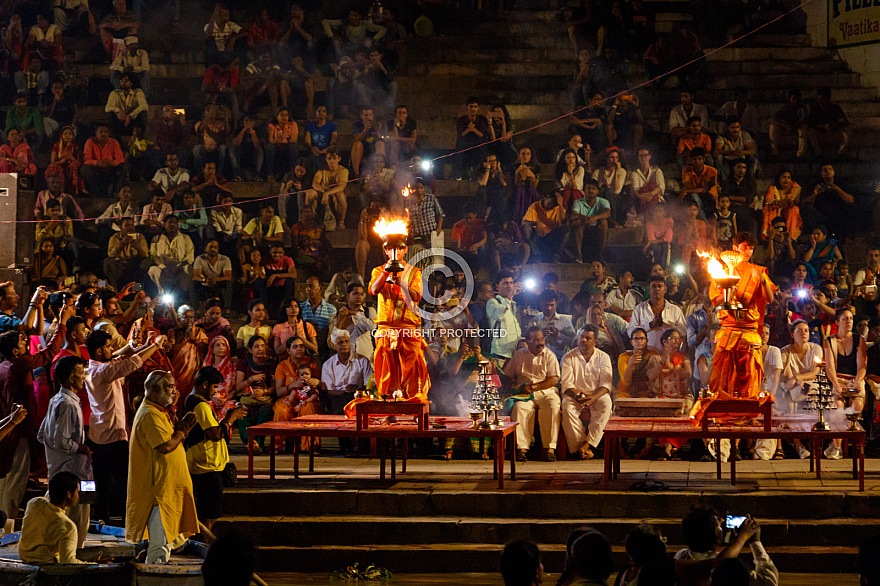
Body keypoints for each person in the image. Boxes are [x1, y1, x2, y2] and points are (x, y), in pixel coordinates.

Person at [0, 292, 68, 525]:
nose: (26, 343)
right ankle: (6, 528)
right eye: (21, 342)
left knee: (8, 479)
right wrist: (63, 324)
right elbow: (49, 352)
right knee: (16, 479)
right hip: (19, 431)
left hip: (10, 431)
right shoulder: (20, 365)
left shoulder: (4, 367)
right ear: (16, 351)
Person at [694, 232, 776, 422]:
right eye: (745, 247)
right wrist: (728, 289)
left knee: (750, 374)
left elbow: (769, 299)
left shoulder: (758, 271)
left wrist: (763, 281)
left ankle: (749, 413)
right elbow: (716, 300)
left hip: (748, 330)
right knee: (724, 374)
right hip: (729, 330)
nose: (748, 251)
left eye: (751, 248)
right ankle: (721, 414)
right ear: (735, 246)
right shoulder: (721, 270)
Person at [85, 327, 164, 523]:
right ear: (98, 351)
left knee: (104, 483)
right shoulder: (102, 371)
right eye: (108, 347)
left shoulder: (97, 367)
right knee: (123, 481)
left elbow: (120, 359)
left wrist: (144, 345)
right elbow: (131, 363)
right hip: (111, 436)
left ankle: (106, 520)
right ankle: (124, 521)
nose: (112, 350)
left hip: (102, 434)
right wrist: (154, 347)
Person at [126, 371, 198, 564]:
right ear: (155, 388)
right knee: (160, 546)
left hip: (167, 489)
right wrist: (182, 430)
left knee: (163, 543)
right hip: (158, 491)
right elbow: (165, 446)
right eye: (170, 387)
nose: (174, 391)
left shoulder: (159, 411)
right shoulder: (149, 414)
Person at [183, 366, 245, 533]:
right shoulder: (200, 406)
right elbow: (215, 434)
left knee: (205, 513)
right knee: (207, 515)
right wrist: (231, 419)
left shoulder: (192, 400)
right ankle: (206, 547)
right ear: (205, 384)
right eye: (214, 387)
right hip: (206, 467)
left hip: (204, 464)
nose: (216, 392)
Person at [38, 355, 91, 548]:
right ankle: (74, 553)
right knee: (80, 514)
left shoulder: (57, 400)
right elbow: (61, 440)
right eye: (80, 372)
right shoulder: (68, 404)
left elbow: (43, 435)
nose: (84, 376)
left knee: (59, 514)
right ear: (70, 378)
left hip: (62, 469)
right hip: (74, 470)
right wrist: (81, 448)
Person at [369, 239, 429, 402]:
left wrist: (401, 283)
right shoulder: (378, 270)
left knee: (413, 372)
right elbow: (374, 290)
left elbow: (417, 296)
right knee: (387, 372)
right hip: (386, 329)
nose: (395, 252)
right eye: (390, 248)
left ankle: (415, 410)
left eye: (399, 248)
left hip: (408, 328)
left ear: (405, 250)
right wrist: (387, 272)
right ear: (386, 251)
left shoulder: (414, 272)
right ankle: (390, 412)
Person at [674, 507, 778, 586]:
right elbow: (769, 581)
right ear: (716, 537)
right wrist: (755, 542)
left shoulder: (680, 556)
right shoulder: (728, 571)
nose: (721, 527)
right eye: (718, 525)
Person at [504, 326, 561, 462]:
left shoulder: (550, 355)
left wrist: (534, 387)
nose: (540, 343)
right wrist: (514, 386)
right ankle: (522, 450)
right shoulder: (519, 355)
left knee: (553, 406)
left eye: (542, 339)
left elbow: (554, 379)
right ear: (528, 341)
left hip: (546, 392)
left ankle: (549, 450)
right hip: (525, 395)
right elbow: (508, 375)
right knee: (519, 408)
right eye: (536, 340)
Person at [560, 325, 613, 460]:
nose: (584, 340)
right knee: (567, 408)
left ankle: (587, 445)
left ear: (595, 341)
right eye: (582, 337)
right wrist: (578, 396)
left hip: (596, 394)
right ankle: (582, 447)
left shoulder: (603, 357)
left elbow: (606, 385)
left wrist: (593, 397)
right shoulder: (568, 357)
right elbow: (566, 384)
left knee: (606, 404)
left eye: (588, 338)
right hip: (574, 395)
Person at [824, 307, 867, 460]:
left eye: (850, 318)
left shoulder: (859, 339)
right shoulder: (829, 341)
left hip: (854, 380)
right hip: (838, 379)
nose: (849, 321)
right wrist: (836, 385)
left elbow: (862, 367)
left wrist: (857, 382)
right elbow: (829, 368)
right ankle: (837, 447)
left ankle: (855, 449)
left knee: (856, 406)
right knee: (838, 407)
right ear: (837, 322)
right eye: (845, 319)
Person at [18, 472, 88, 565]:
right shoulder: (67, 526)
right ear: (69, 494)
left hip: (25, 558)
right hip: (47, 565)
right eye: (77, 492)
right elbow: (68, 562)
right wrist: (93, 564)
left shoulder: (34, 503)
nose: (78, 496)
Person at [628, 275, 686, 352]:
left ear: (665, 289)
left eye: (660, 286)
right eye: (654, 286)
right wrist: (650, 326)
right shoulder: (639, 309)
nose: (657, 289)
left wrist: (667, 325)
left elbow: (684, 332)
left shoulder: (675, 309)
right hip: (645, 354)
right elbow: (630, 332)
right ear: (649, 290)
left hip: (669, 355)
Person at [148, 215, 194, 297]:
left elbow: (190, 257)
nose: (172, 225)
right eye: (169, 222)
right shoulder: (156, 239)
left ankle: (182, 293)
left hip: (179, 269)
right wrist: (163, 267)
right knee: (153, 270)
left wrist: (178, 267)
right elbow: (153, 256)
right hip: (163, 269)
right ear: (164, 224)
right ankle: (161, 293)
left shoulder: (185, 238)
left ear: (177, 225)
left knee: (188, 268)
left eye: (174, 223)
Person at [81, 125, 125, 198]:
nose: (103, 134)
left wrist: (112, 163)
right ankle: (95, 194)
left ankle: (116, 192)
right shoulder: (90, 142)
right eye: (101, 132)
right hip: (96, 170)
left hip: (110, 169)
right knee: (85, 169)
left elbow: (120, 158)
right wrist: (98, 162)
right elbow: (86, 159)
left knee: (123, 167)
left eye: (105, 132)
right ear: (96, 133)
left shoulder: (113, 142)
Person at [804, 86, 849, 157]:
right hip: (820, 135)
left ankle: (840, 152)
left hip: (833, 134)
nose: (820, 102)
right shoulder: (815, 109)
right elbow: (810, 123)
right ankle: (818, 154)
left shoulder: (835, 108)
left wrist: (834, 125)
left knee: (848, 130)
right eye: (818, 99)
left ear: (828, 99)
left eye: (822, 99)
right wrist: (821, 126)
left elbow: (845, 121)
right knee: (810, 131)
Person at [617, 327, 659, 399]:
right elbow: (625, 383)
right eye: (636, 339)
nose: (639, 341)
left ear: (646, 341)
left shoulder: (652, 355)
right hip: (626, 394)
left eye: (642, 338)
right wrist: (630, 365)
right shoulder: (624, 357)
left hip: (646, 394)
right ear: (631, 342)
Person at [761, 170, 801, 241]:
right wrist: (777, 202)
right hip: (775, 211)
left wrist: (790, 202)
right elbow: (768, 200)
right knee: (768, 208)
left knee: (795, 209)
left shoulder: (794, 189)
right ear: (779, 179)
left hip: (787, 212)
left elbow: (797, 202)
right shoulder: (773, 188)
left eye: (788, 177)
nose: (786, 180)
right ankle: (769, 234)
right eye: (784, 177)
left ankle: (790, 236)